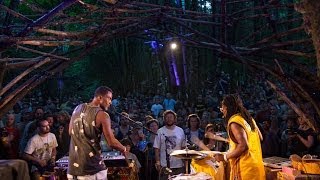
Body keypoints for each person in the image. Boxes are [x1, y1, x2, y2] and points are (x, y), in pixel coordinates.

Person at [67, 86, 127, 180]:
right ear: (100, 97)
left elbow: (70, 131)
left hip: (72, 168)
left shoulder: (77, 108)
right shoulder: (103, 115)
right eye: (109, 98)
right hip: (91, 169)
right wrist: (123, 149)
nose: (110, 102)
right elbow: (111, 142)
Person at [215, 94, 265, 180]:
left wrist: (224, 157)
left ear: (226, 108)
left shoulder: (234, 122)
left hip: (245, 170)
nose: (222, 110)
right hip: (257, 167)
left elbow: (243, 146)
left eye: (222, 108)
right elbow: (260, 137)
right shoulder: (249, 119)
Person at [154, 110, 185, 180]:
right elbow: (156, 148)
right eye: (167, 117)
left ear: (174, 119)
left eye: (171, 117)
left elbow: (183, 147)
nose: (169, 119)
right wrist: (158, 162)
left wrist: (184, 161)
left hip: (178, 164)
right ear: (164, 119)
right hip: (164, 165)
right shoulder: (160, 131)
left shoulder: (180, 130)